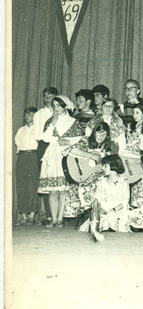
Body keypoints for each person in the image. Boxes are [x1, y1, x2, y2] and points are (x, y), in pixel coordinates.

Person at [39, 96, 85, 228]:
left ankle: (60, 218)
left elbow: (79, 138)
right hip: (52, 155)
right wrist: (53, 122)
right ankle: (53, 219)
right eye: (54, 106)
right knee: (53, 190)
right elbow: (45, 138)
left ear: (65, 106)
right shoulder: (50, 121)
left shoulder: (73, 121)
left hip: (66, 154)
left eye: (58, 105)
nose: (56, 108)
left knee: (63, 190)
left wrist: (67, 142)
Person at [64, 121, 119, 219]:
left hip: (99, 177)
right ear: (94, 132)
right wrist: (91, 155)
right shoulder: (86, 141)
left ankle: (95, 213)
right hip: (83, 176)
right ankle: (88, 211)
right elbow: (72, 150)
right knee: (84, 186)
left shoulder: (107, 148)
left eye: (104, 134)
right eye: (99, 132)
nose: (101, 136)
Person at [89, 155, 130, 242]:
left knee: (113, 217)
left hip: (118, 208)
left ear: (114, 165)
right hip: (103, 207)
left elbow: (125, 200)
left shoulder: (123, 181)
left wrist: (114, 209)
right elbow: (97, 197)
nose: (103, 168)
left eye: (105, 166)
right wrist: (99, 208)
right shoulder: (101, 181)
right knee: (97, 219)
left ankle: (113, 231)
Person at [32, 87, 58, 225]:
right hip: (44, 146)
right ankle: (49, 215)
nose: (48, 99)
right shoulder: (39, 114)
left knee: (58, 179)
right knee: (47, 180)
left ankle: (60, 215)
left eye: (51, 96)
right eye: (45, 96)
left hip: (58, 146)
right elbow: (38, 135)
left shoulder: (60, 111)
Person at [14, 107, 39, 225]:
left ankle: (32, 215)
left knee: (32, 186)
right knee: (21, 185)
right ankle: (23, 215)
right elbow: (18, 144)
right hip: (22, 157)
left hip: (33, 157)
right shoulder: (20, 130)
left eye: (30, 114)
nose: (27, 116)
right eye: (26, 114)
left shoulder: (38, 130)